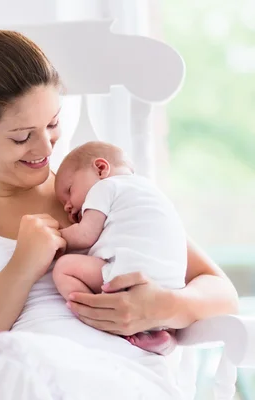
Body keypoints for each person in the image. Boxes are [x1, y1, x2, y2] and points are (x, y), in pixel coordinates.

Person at [0, 25, 238, 400]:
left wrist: (165, 305)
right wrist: (21, 269)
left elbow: (221, 292)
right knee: (21, 364)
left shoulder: (102, 194)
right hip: (18, 382)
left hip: (125, 379)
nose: (45, 146)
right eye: (21, 136)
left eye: (53, 123)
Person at [53, 141, 187, 356]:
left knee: (64, 267)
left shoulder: (104, 187)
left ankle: (97, 313)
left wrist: (54, 236)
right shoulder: (151, 191)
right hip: (169, 288)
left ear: (100, 168)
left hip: (127, 279)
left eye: (69, 191)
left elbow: (85, 235)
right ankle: (165, 336)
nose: (67, 205)